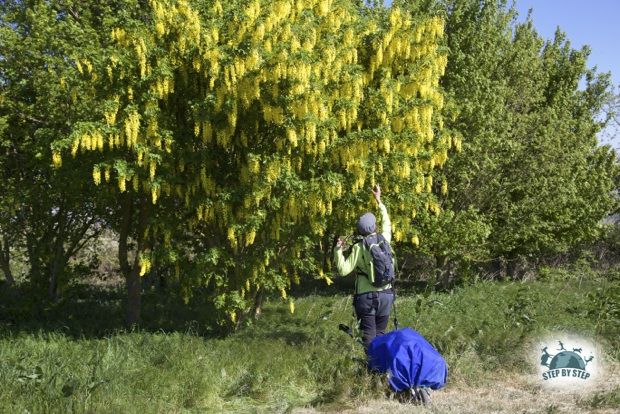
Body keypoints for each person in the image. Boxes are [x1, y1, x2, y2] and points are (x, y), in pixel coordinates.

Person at [333, 185, 395, 348]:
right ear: (375, 226)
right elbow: (387, 222)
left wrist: (338, 250)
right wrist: (379, 200)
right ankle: (381, 370)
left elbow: (343, 269)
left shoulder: (359, 247)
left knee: (368, 336)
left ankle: (372, 369)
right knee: (380, 334)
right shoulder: (385, 239)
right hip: (386, 295)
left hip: (366, 297)